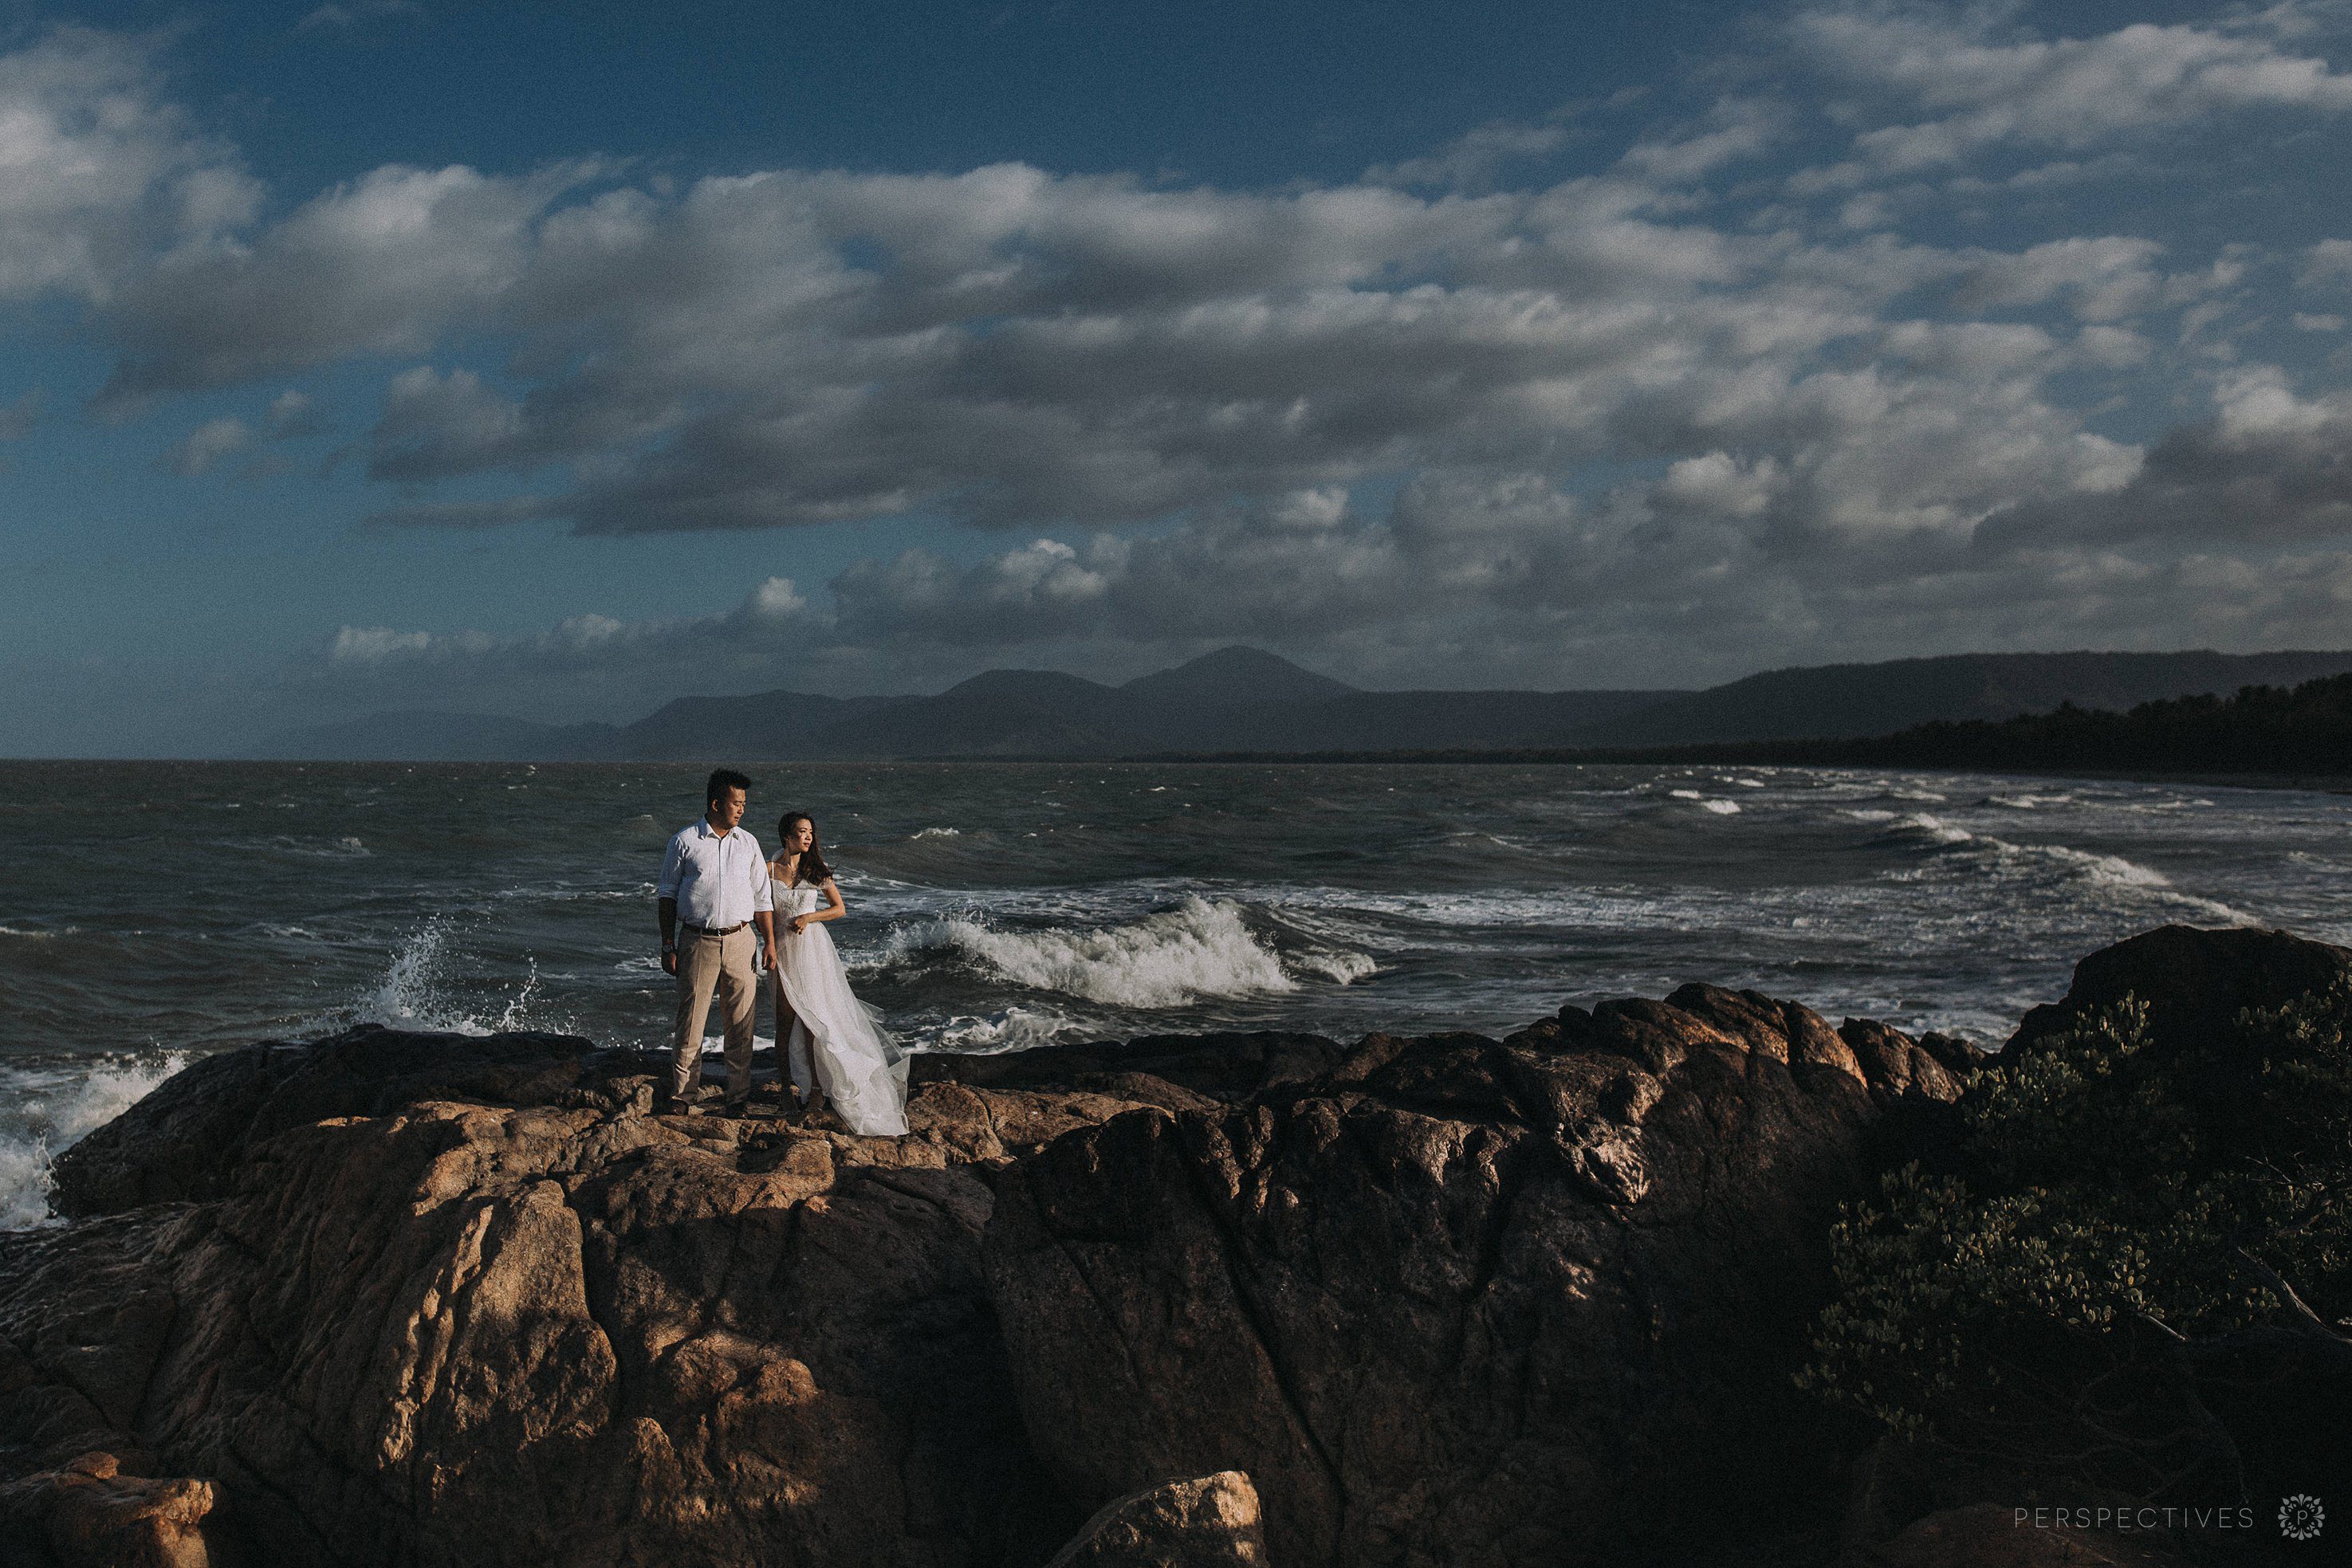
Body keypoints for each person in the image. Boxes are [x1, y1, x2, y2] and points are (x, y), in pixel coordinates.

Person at [769, 811, 908, 1135]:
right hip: (783, 951)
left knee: (813, 1023)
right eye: (801, 832)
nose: (807, 838)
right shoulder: (767, 870)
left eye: (810, 833)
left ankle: (817, 1090)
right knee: (783, 1024)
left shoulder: (814, 871)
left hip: (812, 951)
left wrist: (809, 918)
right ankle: (786, 1091)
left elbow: (839, 908)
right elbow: (759, 907)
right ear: (786, 836)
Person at [656, 768, 775, 1114]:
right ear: (715, 803)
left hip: (741, 940)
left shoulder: (749, 843)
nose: (741, 810)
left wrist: (769, 942)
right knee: (691, 1022)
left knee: (741, 1024)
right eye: (736, 803)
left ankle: (737, 1099)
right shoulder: (685, 841)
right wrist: (668, 945)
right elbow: (666, 896)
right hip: (697, 941)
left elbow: (762, 899)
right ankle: (683, 1097)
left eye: (744, 804)